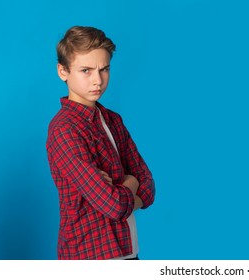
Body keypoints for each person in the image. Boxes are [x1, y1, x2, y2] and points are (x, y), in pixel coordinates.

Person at [46, 26, 155, 260]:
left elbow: (148, 185)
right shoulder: (64, 130)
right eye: (86, 70)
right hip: (89, 256)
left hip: (128, 251)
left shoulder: (113, 120)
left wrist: (127, 186)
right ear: (63, 71)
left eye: (104, 69)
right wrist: (131, 183)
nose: (98, 80)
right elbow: (113, 205)